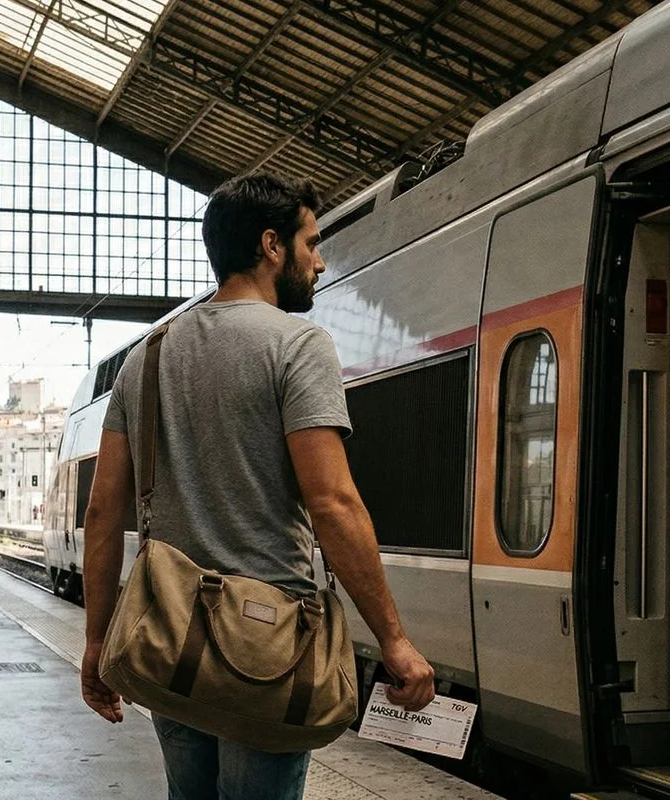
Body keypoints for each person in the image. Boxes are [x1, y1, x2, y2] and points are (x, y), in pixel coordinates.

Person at [80, 174, 435, 800]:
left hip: (170, 635)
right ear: (272, 246)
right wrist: (395, 641)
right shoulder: (299, 345)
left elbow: (104, 509)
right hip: (269, 646)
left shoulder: (149, 357)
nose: (320, 263)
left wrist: (96, 640)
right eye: (311, 244)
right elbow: (331, 502)